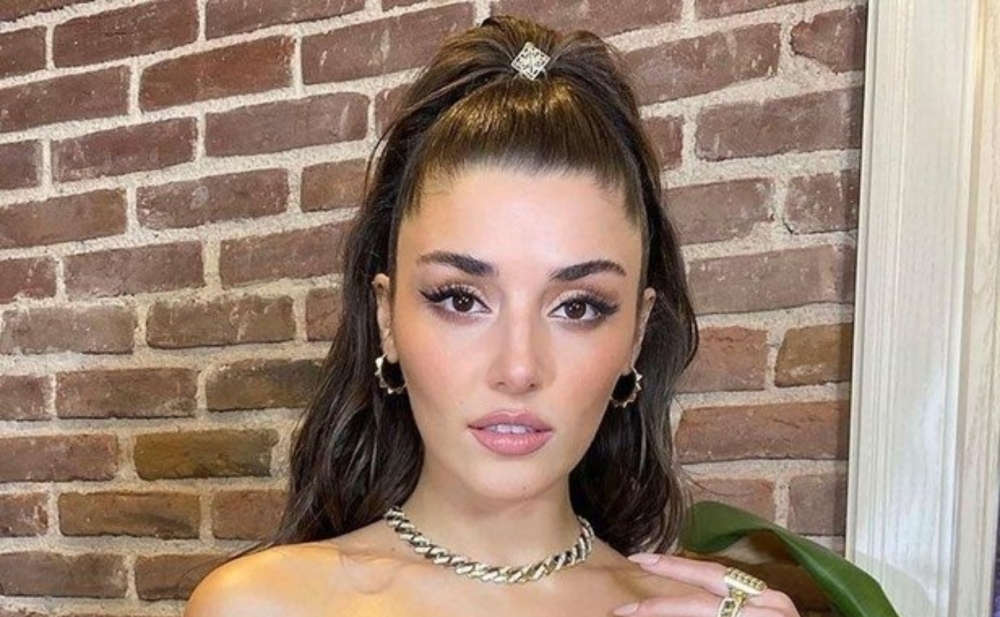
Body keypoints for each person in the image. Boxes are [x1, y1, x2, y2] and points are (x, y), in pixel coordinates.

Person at [185, 15, 799, 617]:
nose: (519, 368)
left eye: (578, 307)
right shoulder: (260, 605)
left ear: (636, 335)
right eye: (461, 300)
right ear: (386, 318)